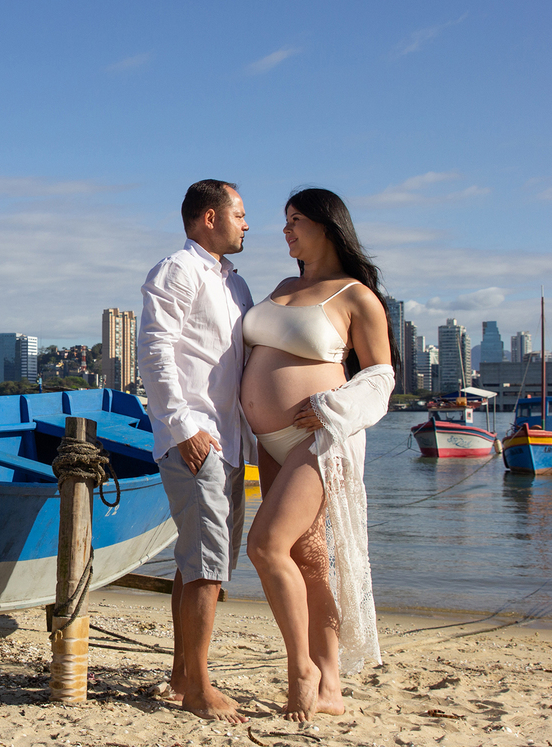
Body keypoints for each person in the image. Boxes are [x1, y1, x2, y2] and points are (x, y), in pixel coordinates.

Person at [240, 188, 397, 721]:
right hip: (269, 440)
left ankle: (302, 668)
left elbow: (381, 380)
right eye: (283, 221)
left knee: (265, 546)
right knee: (308, 559)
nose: (285, 230)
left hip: (322, 437)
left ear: (327, 225)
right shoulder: (282, 287)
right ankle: (330, 685)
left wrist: (332, 404)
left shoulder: (356, 296)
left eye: (295, 220)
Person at [137, 179, 253, 724]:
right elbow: (155, 352)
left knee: (202, 561)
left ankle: (184, 671)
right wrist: (183, 428)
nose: (246, 223)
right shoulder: (176, 270)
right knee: (206, 565)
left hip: (231, 441)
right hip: (195, 436)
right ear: (210, 218)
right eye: (239, 213)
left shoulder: (236, 285)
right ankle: (199, 689)